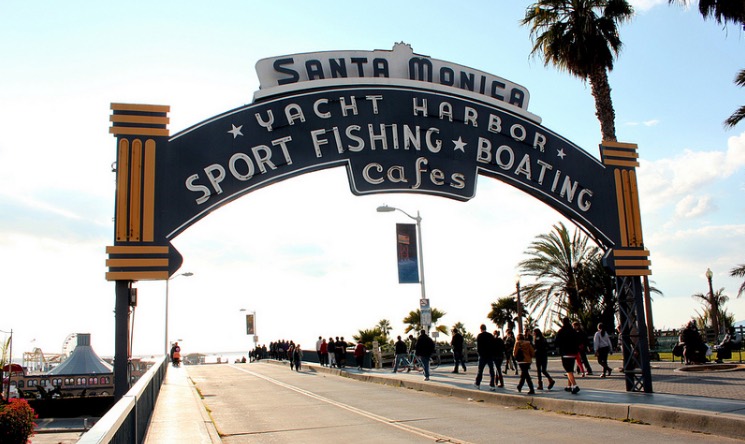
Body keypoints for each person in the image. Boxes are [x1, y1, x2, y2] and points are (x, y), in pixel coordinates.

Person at [555, 317, 581, 394]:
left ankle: (575, 385)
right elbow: (577, 341)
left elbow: (557, 341)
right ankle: (569, 386)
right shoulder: (573, 331)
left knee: (568, 371)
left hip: (565, 353)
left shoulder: (561, 331)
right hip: (573, 353)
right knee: (570, 370)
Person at [473, 324, 496, 391]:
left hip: (482, 356)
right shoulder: (490, 335)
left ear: (481, 329)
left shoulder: (479, 336)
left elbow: (478, 347)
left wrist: (479, 353)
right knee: (491, 370)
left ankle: (477, 383)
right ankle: (492, 385)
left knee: (480, 370)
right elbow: (493, 345)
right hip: (489, 355)